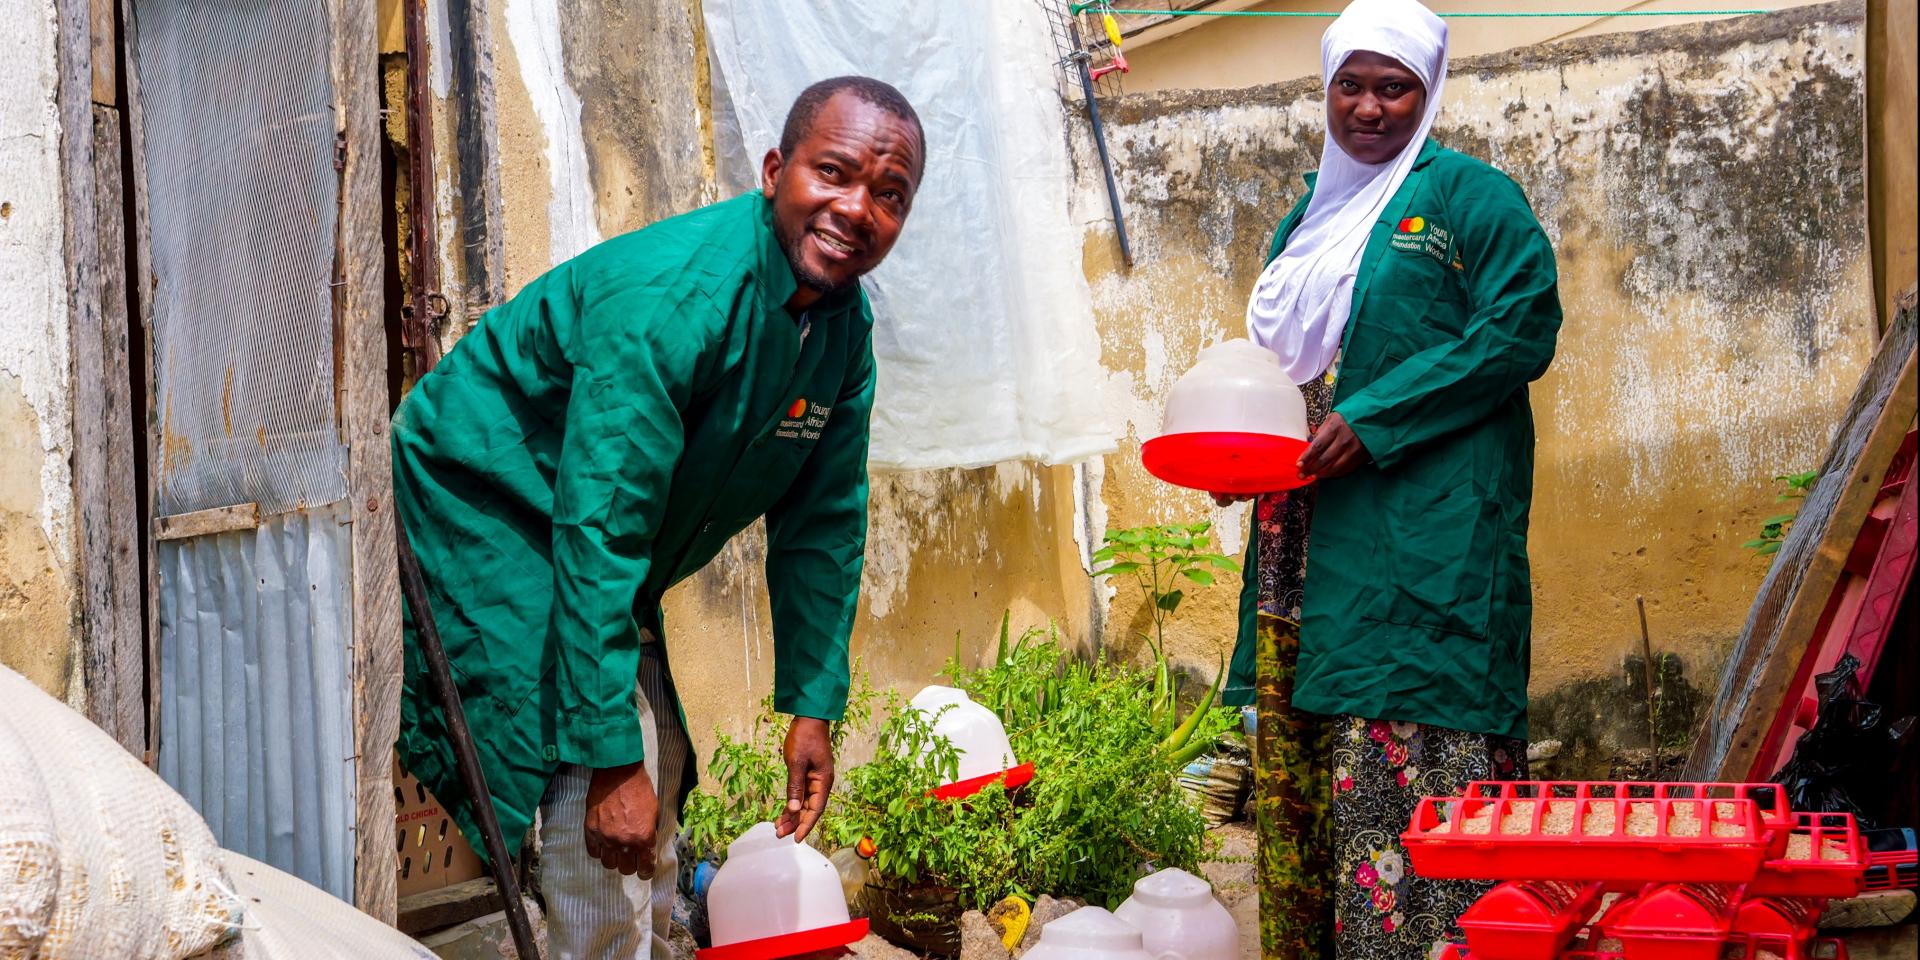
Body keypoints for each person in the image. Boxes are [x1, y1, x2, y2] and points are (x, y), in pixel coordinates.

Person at [390, 76, 924, 959]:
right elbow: (599, 523)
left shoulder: (841, 329)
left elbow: (824, 524)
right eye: (832, 173)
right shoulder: (674, 300)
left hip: (602, 532)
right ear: (774, 171)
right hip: (485, 499)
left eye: (890, 194)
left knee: (657, 768)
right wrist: (609, 762)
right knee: (595, 775)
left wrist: (812, 708)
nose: (857, 209)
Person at [1214, 2, 1562, 959]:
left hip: (1421, 542)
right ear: (1326, 92)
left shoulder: (1469, 199)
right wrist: (1241, 456)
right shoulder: (1305, 222)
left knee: (1411, 775)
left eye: (1394, 87)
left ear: (1429, 91)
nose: (1368, 108)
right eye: (1350, 86)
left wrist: (1379, 417)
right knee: (1304, 787)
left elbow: (1522, 326)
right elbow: (1283, 381)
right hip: (1300, 547)